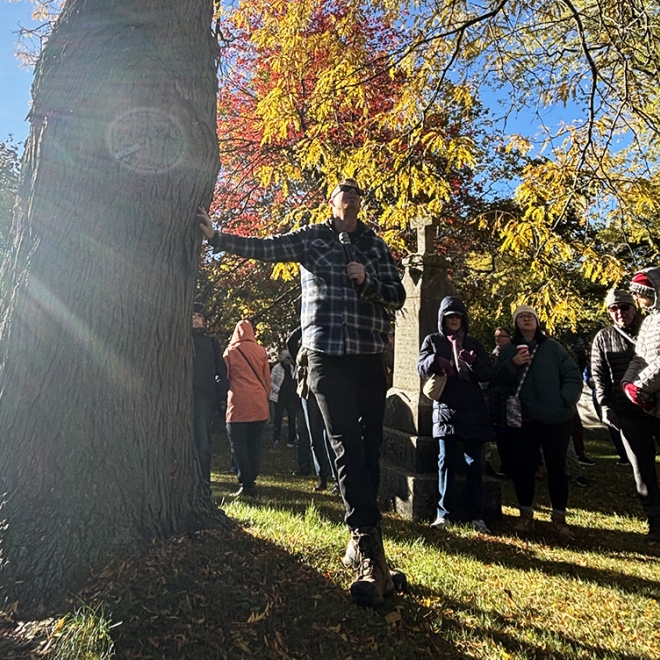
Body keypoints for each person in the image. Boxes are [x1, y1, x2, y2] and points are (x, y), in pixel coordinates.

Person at [198, 177, 406, 607]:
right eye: (342, 190)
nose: (349, 194)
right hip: (325, 357)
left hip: (368, 357)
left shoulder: (376, 246)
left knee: (370, 448)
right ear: (331, 202)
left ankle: (362, 542)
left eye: (355, 191)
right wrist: (217, 236)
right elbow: (266, 247)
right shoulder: (312, 238)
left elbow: (398, 294)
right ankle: (370, 552)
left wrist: (367, 280)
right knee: (344, 444)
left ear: (360, 203)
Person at [492, 305, 582, 539]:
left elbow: (572, 374)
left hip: (556, 419)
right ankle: (525, 516)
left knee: (556, 468)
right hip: (524, 419)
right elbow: (497, 380)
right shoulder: (509, 350)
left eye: (530, 316)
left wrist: (565, 400)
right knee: (523, 468)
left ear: (537, 321)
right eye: (521, 317)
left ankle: (559, 518)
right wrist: (514, 364)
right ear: (516, 323)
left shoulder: (552, 347)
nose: (526, 320)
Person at [417, 296, 493, 533]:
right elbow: (420, 365)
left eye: (458, 317)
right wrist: (435, 360)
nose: (454, 321)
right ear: (443, 319)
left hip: (473, 409)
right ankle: (443, 514)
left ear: (464, 319)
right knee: (446, 461)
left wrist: (473, 361)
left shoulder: (473, 342)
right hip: (446, 408)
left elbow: (487, 373)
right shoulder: (433, 340)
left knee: (474, 464)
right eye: (450, 317)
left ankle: (477, 516)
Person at [620, 269, 660, 543]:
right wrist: (628, 383)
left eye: (640, 293)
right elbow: (639, 359)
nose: (636, 298)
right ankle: (656, 523)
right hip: (647, 405)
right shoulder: (648, 323)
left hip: (654, 396)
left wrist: (642, 385)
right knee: (643, 469)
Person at [223, 319, 271, 498]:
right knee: (254, 443)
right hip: (258, 402)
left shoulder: (231, 352)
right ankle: (252, 478)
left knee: (238, 442)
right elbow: (267, 379)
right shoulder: (261, 351)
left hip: (238, 403)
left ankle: (246, 481)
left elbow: (225, 376)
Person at [286, 326, 337, 492]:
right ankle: (322, 476)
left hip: (327, 390)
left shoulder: (327, 340)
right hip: (308, 393)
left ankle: (337, 478)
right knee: (314, 436)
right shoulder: (303, 346)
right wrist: (304, 325)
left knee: (331, 436)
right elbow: (290, 341)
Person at [192, 303, 226, 490]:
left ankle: (204, 484)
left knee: (203, 443)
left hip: (204, 396)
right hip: (183, 397)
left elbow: (221, 369)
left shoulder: (211, 342)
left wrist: (222, 395)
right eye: (192, 315)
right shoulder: (180, 340)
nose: (196, 318)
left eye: (199, 316)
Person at [270, 350, 300, 449]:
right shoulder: (277, 368)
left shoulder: (291, 368)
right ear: (283, 358)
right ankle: (276, 439)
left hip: (290, 397)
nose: (290, 360)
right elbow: (271, 382)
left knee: (292, 417)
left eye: (290, 358)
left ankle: (292, 439)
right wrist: (278, 390)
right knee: (278, 418)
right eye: (288, 358)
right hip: (279, 397)